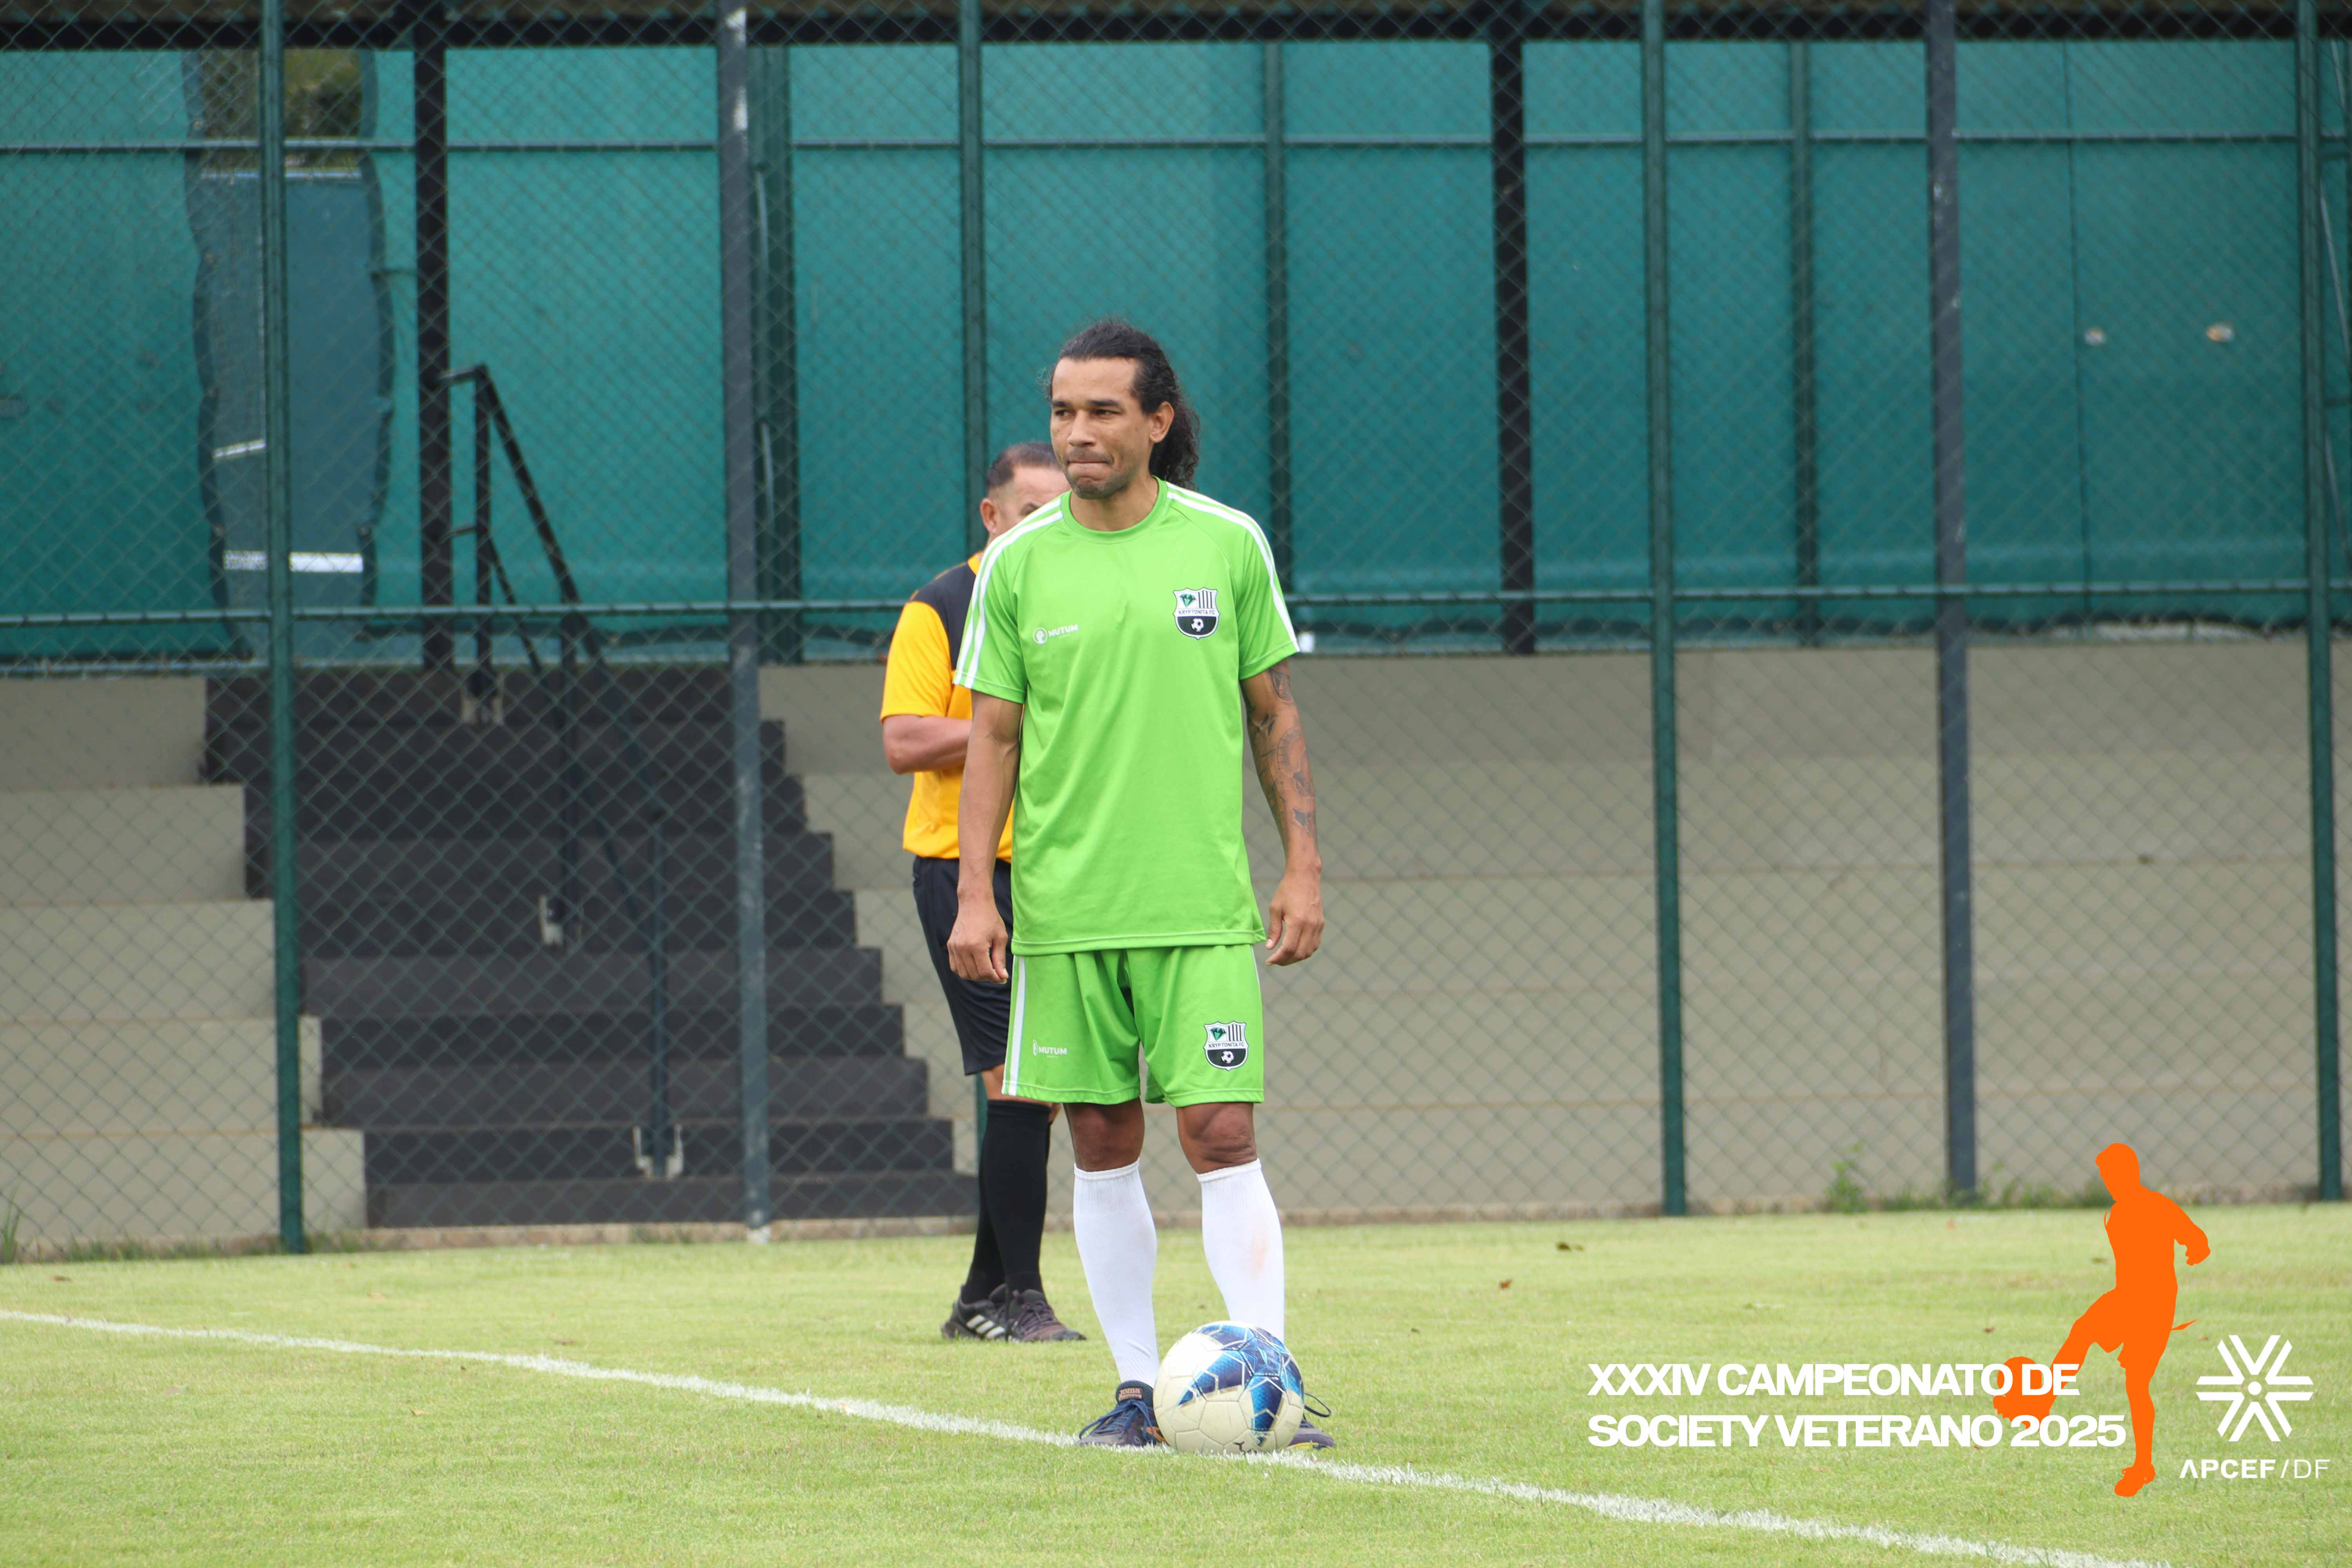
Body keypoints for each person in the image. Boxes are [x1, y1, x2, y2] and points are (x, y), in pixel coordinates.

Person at [946, 319, 1333, 1450]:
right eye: (1063, 412)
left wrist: (1303, 866)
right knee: (1104, 1143)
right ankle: (1134, 1390)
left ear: (1158, 421)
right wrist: (976, 894)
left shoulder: (1226, 543)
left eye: (1103, 410)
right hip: (1066, 914)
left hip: (1199, 907)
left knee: (1219, 1131)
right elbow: (993, 738)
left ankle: (1266, 1389)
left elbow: (1275, 716)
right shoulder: (1019, 565)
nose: (1078, 432)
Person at [881, 440, 1084, 1345]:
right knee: (1018, 1081)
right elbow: (905, 739)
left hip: (1063, 870)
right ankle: (1018, 1297)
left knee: (1043, 1087)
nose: (1050, 524)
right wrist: (1007, 722)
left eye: (1063, 508)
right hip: (967, 873)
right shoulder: (942, 604)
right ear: (992, 516)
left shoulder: (1079, 598)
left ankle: (980, 1294)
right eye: (1033, 510)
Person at [1992, 1142, 2210, 1496]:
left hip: (2155, 1306)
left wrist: (2196, 1248)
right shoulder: (2115, 1214)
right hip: (2126, 1299)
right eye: (2106, 1178)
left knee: (2136, 1384)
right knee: (2082, 1331)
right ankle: (2042, 1404)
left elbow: (2196, 1238)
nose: (2109, 1183)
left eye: (2112, 1176)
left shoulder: (2158, 1207)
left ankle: (2143, 1466)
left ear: (2130, 1174)